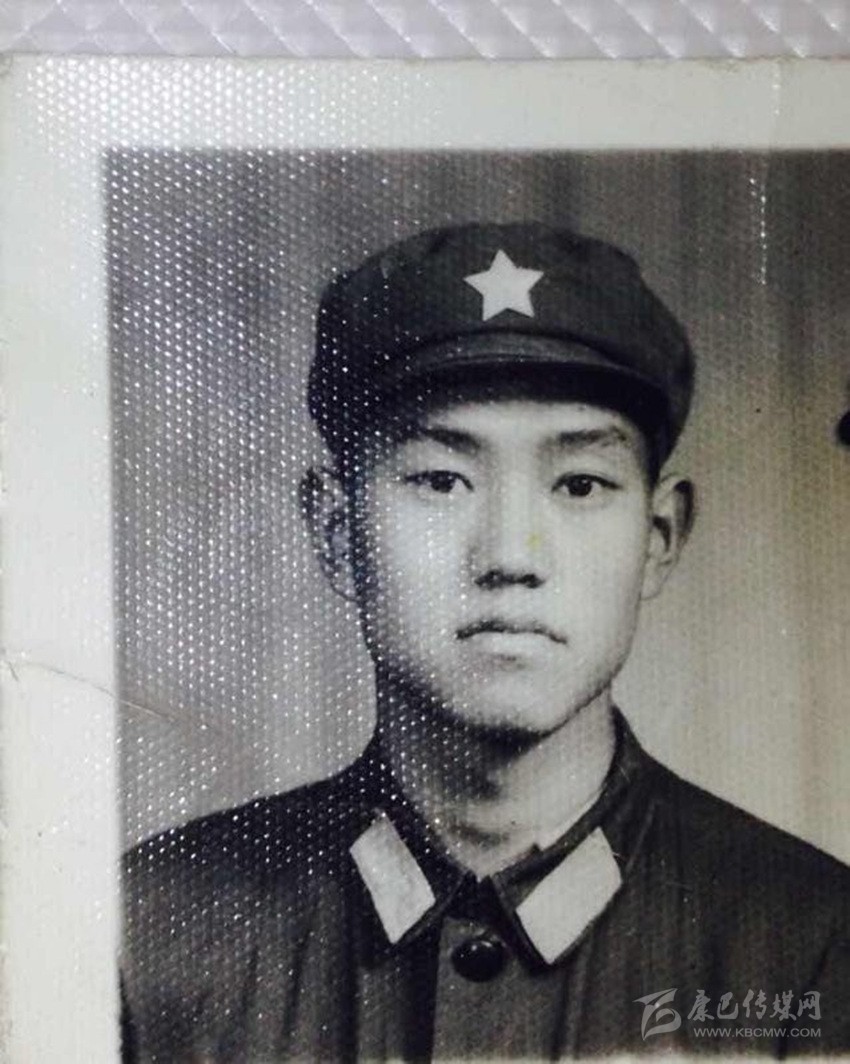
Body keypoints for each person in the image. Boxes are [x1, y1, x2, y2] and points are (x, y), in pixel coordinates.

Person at [121, 222, 850, 1061]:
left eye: (580, 484)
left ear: (658, 538)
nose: (510, 556)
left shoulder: (814, 943)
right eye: (441, 480)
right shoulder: (151, 932)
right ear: (337, 534)